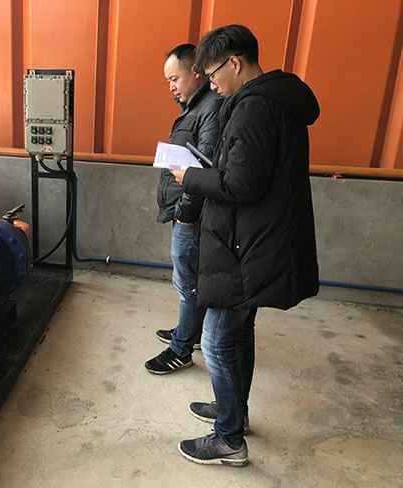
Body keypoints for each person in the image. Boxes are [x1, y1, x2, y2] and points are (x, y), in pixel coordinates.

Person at [171, 25, 320, 466]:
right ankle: (233, 410)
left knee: (217, 341)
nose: (210, 82)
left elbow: (241, 183)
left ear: (234, 63)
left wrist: (190, 176)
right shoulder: (275, 101)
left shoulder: (254, 107)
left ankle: (229, 438)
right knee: (238, 334)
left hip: (246, 247)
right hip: (255, 240)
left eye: (212, 72)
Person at [145, 43, 221, 375]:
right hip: (186, 209)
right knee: (188, 280)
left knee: (187, 282)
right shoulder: (196, 106)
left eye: (175, 79)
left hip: (192, 214)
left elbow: (203, 169)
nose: (171, 87)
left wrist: (185, 213)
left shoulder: (210, 108)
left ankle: (181, 349)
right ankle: (189, 332)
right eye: (168, 81)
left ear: (197, 72)